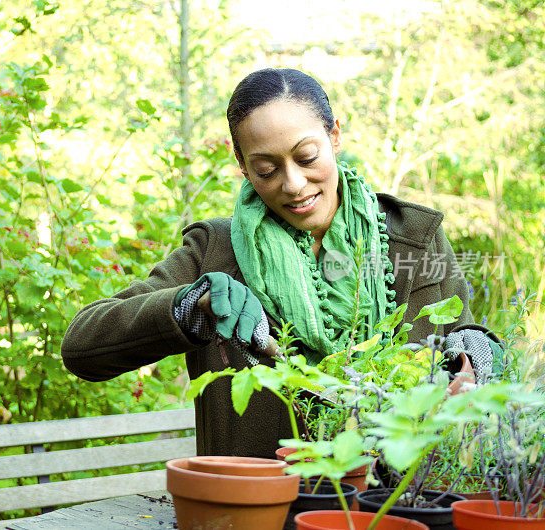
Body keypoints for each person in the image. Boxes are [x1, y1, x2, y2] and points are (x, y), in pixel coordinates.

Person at [61, 68, 500, 459]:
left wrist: (476, 355)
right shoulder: (215, 249)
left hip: (390, 503)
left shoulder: (411, 240)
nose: (293, 184)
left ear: (334, 136)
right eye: (267, 169)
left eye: (307, 157)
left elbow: (462, 334)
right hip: (255, 508)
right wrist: (190, 305)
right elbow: (82, 347)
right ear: (243, 167)